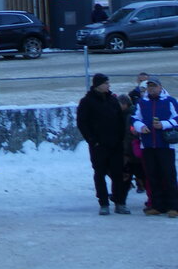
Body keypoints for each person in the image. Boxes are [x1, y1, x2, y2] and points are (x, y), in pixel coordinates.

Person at [76, 73, 129, 214]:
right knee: (99, 174)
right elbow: (82, 123)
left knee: (118, 174)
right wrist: (93, 141)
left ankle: (119, 202)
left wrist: (121, 139)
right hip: (99, 145)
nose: (108, 85)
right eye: (106, 83)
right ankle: (103, 203)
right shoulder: (87, 102)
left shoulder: (112, 100)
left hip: (115, 144)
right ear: (98, 85)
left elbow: (120, 120)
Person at [131, 77, 178, 217]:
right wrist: (141, 127)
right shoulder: (142, 102)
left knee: (168, 176)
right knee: (153, 176)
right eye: (149, 86)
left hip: (165, 145)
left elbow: (177, 118)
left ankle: (173, 206)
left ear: (160, 87)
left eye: (154, 86)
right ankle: (157, 205)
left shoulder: (170, 101)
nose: (152, 89)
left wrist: (164, 124)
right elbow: (134, 118)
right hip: (148, 145)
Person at [118, 93, 147, 197]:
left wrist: (127, 152)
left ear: (125, 104)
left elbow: (130, 136)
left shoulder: (130, 115)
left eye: (119, 104)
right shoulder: (125, 114)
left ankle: (120, 198)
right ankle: (120, 197)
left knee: (135, 174)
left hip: (132, 152)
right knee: (131, 175)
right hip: (132, 152)